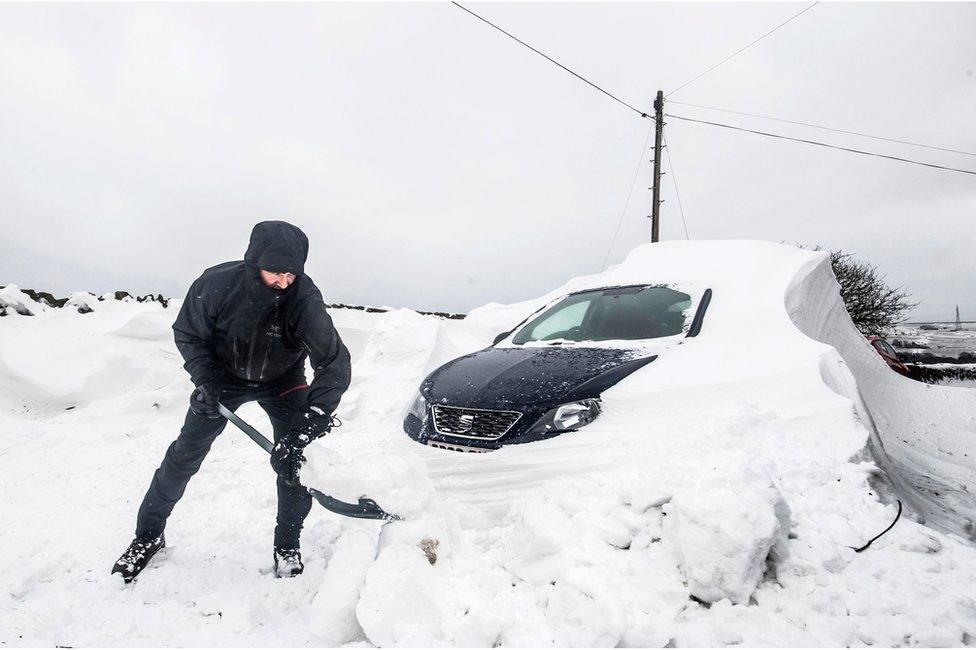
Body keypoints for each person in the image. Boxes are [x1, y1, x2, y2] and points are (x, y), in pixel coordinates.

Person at [112, 221, 351, 581]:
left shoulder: (304, 300)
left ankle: (287, 545)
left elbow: (333, 361)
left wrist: (311, 422)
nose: (284, 282)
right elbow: (188, 333)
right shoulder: (216, 284)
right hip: (222, 379)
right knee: (184, 456)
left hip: (283, 382)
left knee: (295, 464)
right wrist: (205, 379)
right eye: (275, 272)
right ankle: (148, 536)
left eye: (291, 273)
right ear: (254, 261)